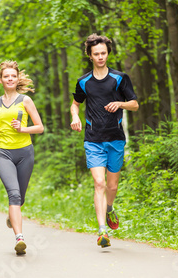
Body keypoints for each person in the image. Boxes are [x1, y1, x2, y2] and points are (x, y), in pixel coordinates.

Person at [70, 34, 139, 248]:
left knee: (112, 185)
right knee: (98, 183)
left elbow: (135, 104)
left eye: (103, 53)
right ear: (90, 56)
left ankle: (109, 208)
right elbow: (75, 104)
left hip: (115, 139)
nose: (100, 57)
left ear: (108, 53)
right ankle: (102, 231)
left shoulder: (120, 78)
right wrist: (75, 117)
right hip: (93, 139)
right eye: (96, 54)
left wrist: (120, 103)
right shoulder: (84, 82)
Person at [0, 60, 44, 255]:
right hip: (4, 154)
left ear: (17, 79)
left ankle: (13, 214)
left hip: (25, 153)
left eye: (13, 76)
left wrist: (23, 128)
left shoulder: (25, 100)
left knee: (20, 197)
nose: (10, 79)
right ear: (1, 80)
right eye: (6, 76)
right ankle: (20, 238)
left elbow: (40, 127)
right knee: (14, 194)